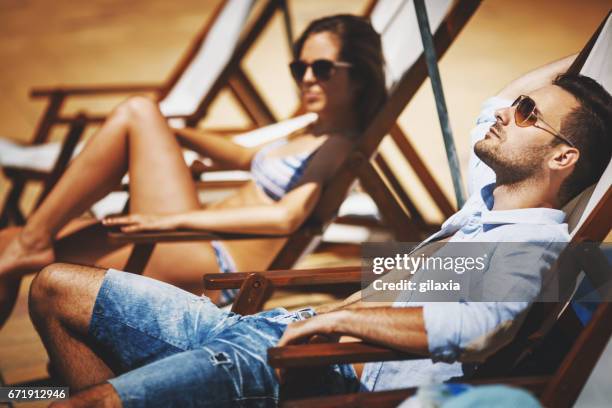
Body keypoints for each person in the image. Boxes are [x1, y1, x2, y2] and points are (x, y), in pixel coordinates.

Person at [31, 51, 611, 407]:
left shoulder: (533, 243)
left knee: (81, 404)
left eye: (529, 114)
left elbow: (481, 329)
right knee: (53, 286)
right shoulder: (484, 207)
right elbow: (498, 100)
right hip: (271, 329)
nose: (508, 113)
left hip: (299, 366)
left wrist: (339, 315)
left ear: (563, 159)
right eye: (519, 106)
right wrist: (592, 54)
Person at [0, 14, 387, 326]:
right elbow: (242, 158)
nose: (306, 78)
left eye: (322, 68)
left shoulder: (340, 145)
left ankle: (34, 241)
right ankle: (31, 240)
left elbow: (288, 216)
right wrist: (180, 135)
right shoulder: (311, 128)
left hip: (213, 264)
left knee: (138, 111)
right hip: (191, 240)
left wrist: (168, 222)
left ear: (358, 78)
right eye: (298, 66)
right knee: (10, 245)